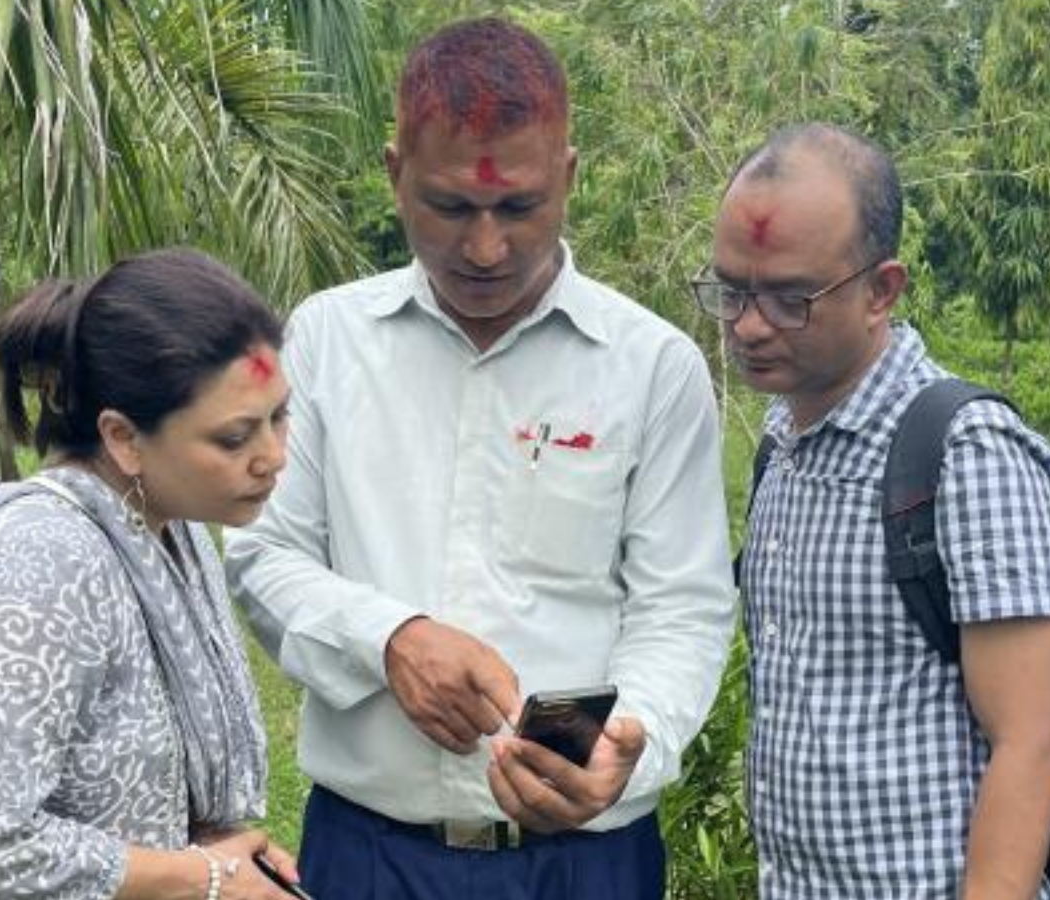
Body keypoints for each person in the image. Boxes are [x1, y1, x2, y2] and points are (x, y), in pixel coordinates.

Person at [223, 17, 735, 900]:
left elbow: (680, 607)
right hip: (370, 853)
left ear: (568, 178)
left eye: (520, 206)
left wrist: (630, 744)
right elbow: (264, 553)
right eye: (452, 206)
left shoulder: (650, 367)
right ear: (394, 175)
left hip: (588, 862)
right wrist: (388, 638)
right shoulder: (325, 342)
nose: (487, 247)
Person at [702, 123, 1050, 900]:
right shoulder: (785, 444)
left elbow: (1033, 742)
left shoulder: (966, 454)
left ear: (883, 290)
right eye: (731, 289)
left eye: (789, 297)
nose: (748, 325)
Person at [0, 247, 300, 900]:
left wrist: (211, 846)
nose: (273, 456)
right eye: (234, 438)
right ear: (123, 437)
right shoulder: (35, 562)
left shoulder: (171, 528)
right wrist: (206, 877)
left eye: (279, 416)